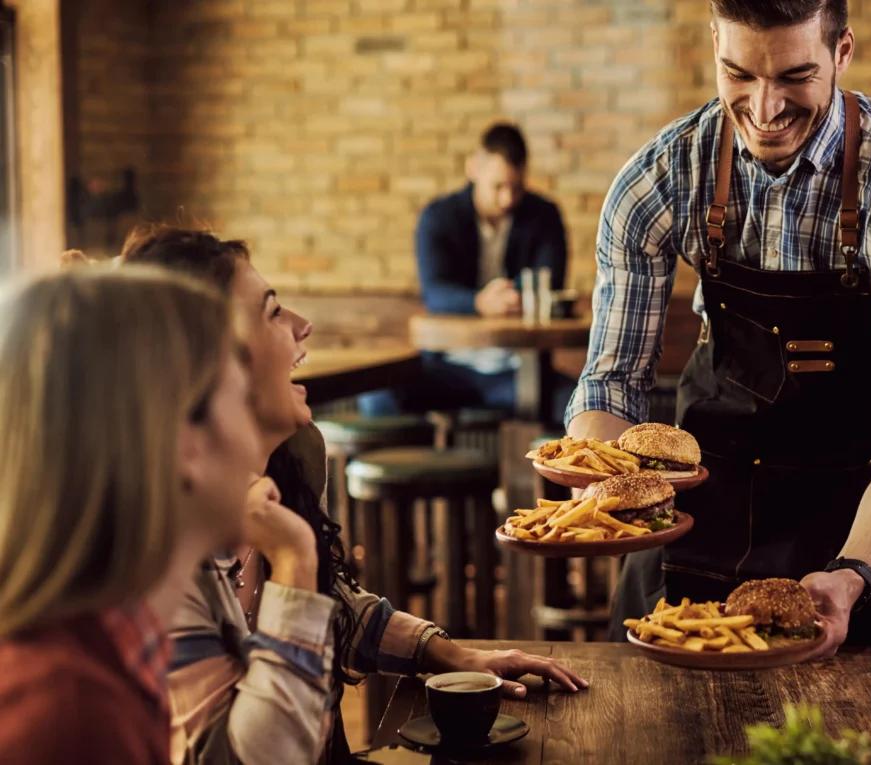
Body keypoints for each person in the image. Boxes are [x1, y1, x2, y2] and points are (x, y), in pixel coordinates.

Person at [568, 0, 871, 652]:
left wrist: (852, 572)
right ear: (715, 45)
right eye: (739, 75)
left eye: (795, 76)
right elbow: (611, 383)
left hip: (844, 539)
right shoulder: (662, 176)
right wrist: (606, 488)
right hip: (686, 525)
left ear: (842, 52)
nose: (765, 108)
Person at [114, 227, 586, 765]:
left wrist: (452, 655)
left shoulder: (292, 461)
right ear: (208, 363)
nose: (302, 325)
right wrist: (294, 561)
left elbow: (334, 606)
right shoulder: (155, 561)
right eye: (273, 312)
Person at [0, 267, 259, 764]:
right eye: (245, 400)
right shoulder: (71, 721)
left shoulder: (102, 661)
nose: (255, 443)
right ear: (185, 442)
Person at [359, 123, 574, 423]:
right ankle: (430, 453)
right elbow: (435, 292)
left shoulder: (544, 215)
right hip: (448, 367)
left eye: (516, 187)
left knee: (580, 406)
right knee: (377, 399)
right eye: (498, 187)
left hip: (519, 370)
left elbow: (549, 285)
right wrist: (480, 303)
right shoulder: (438, 216)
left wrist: (513, 299)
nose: (507, 199)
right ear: (473, 169)